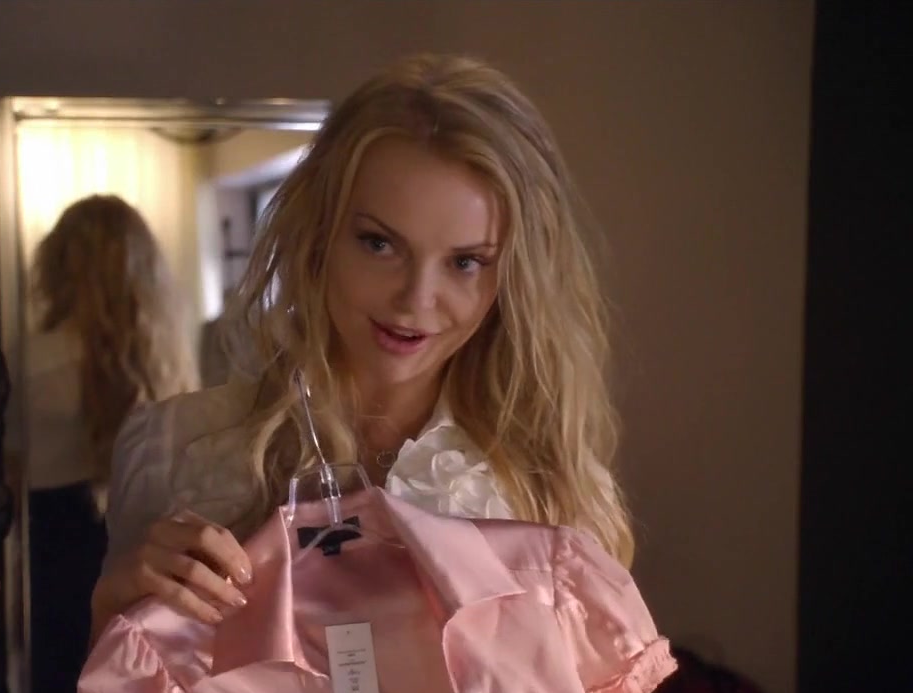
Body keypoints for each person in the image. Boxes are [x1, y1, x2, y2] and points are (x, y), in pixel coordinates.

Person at [90, 54, 633, 639]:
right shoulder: (174, 451)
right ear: (319, 234)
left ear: (514, 278)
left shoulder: (556, 494)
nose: (415, 299)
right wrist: (114, 604)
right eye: (379, 244)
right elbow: (119, 679)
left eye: (466, 262)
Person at [13, 194, 198, 693]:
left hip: (46, 545)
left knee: (56, 687)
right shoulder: (165, 364)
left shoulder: (26, 361)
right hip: (140, 546)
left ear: (57, 264)